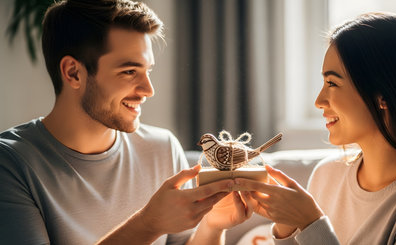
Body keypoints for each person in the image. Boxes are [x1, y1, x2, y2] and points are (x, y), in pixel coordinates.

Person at [0, 0, 252, 244]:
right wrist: (148, 224)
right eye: (129, 71)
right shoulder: (10, 164)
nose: (148, 89)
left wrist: (212, 225)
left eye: (148, 71)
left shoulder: (162, 148)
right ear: (73, 73)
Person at [235, 12, 396, 244]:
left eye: (332, 83)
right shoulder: (326, 174)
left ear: (383, 95)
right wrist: (287, 227)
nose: (319, 101)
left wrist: (311, 222)